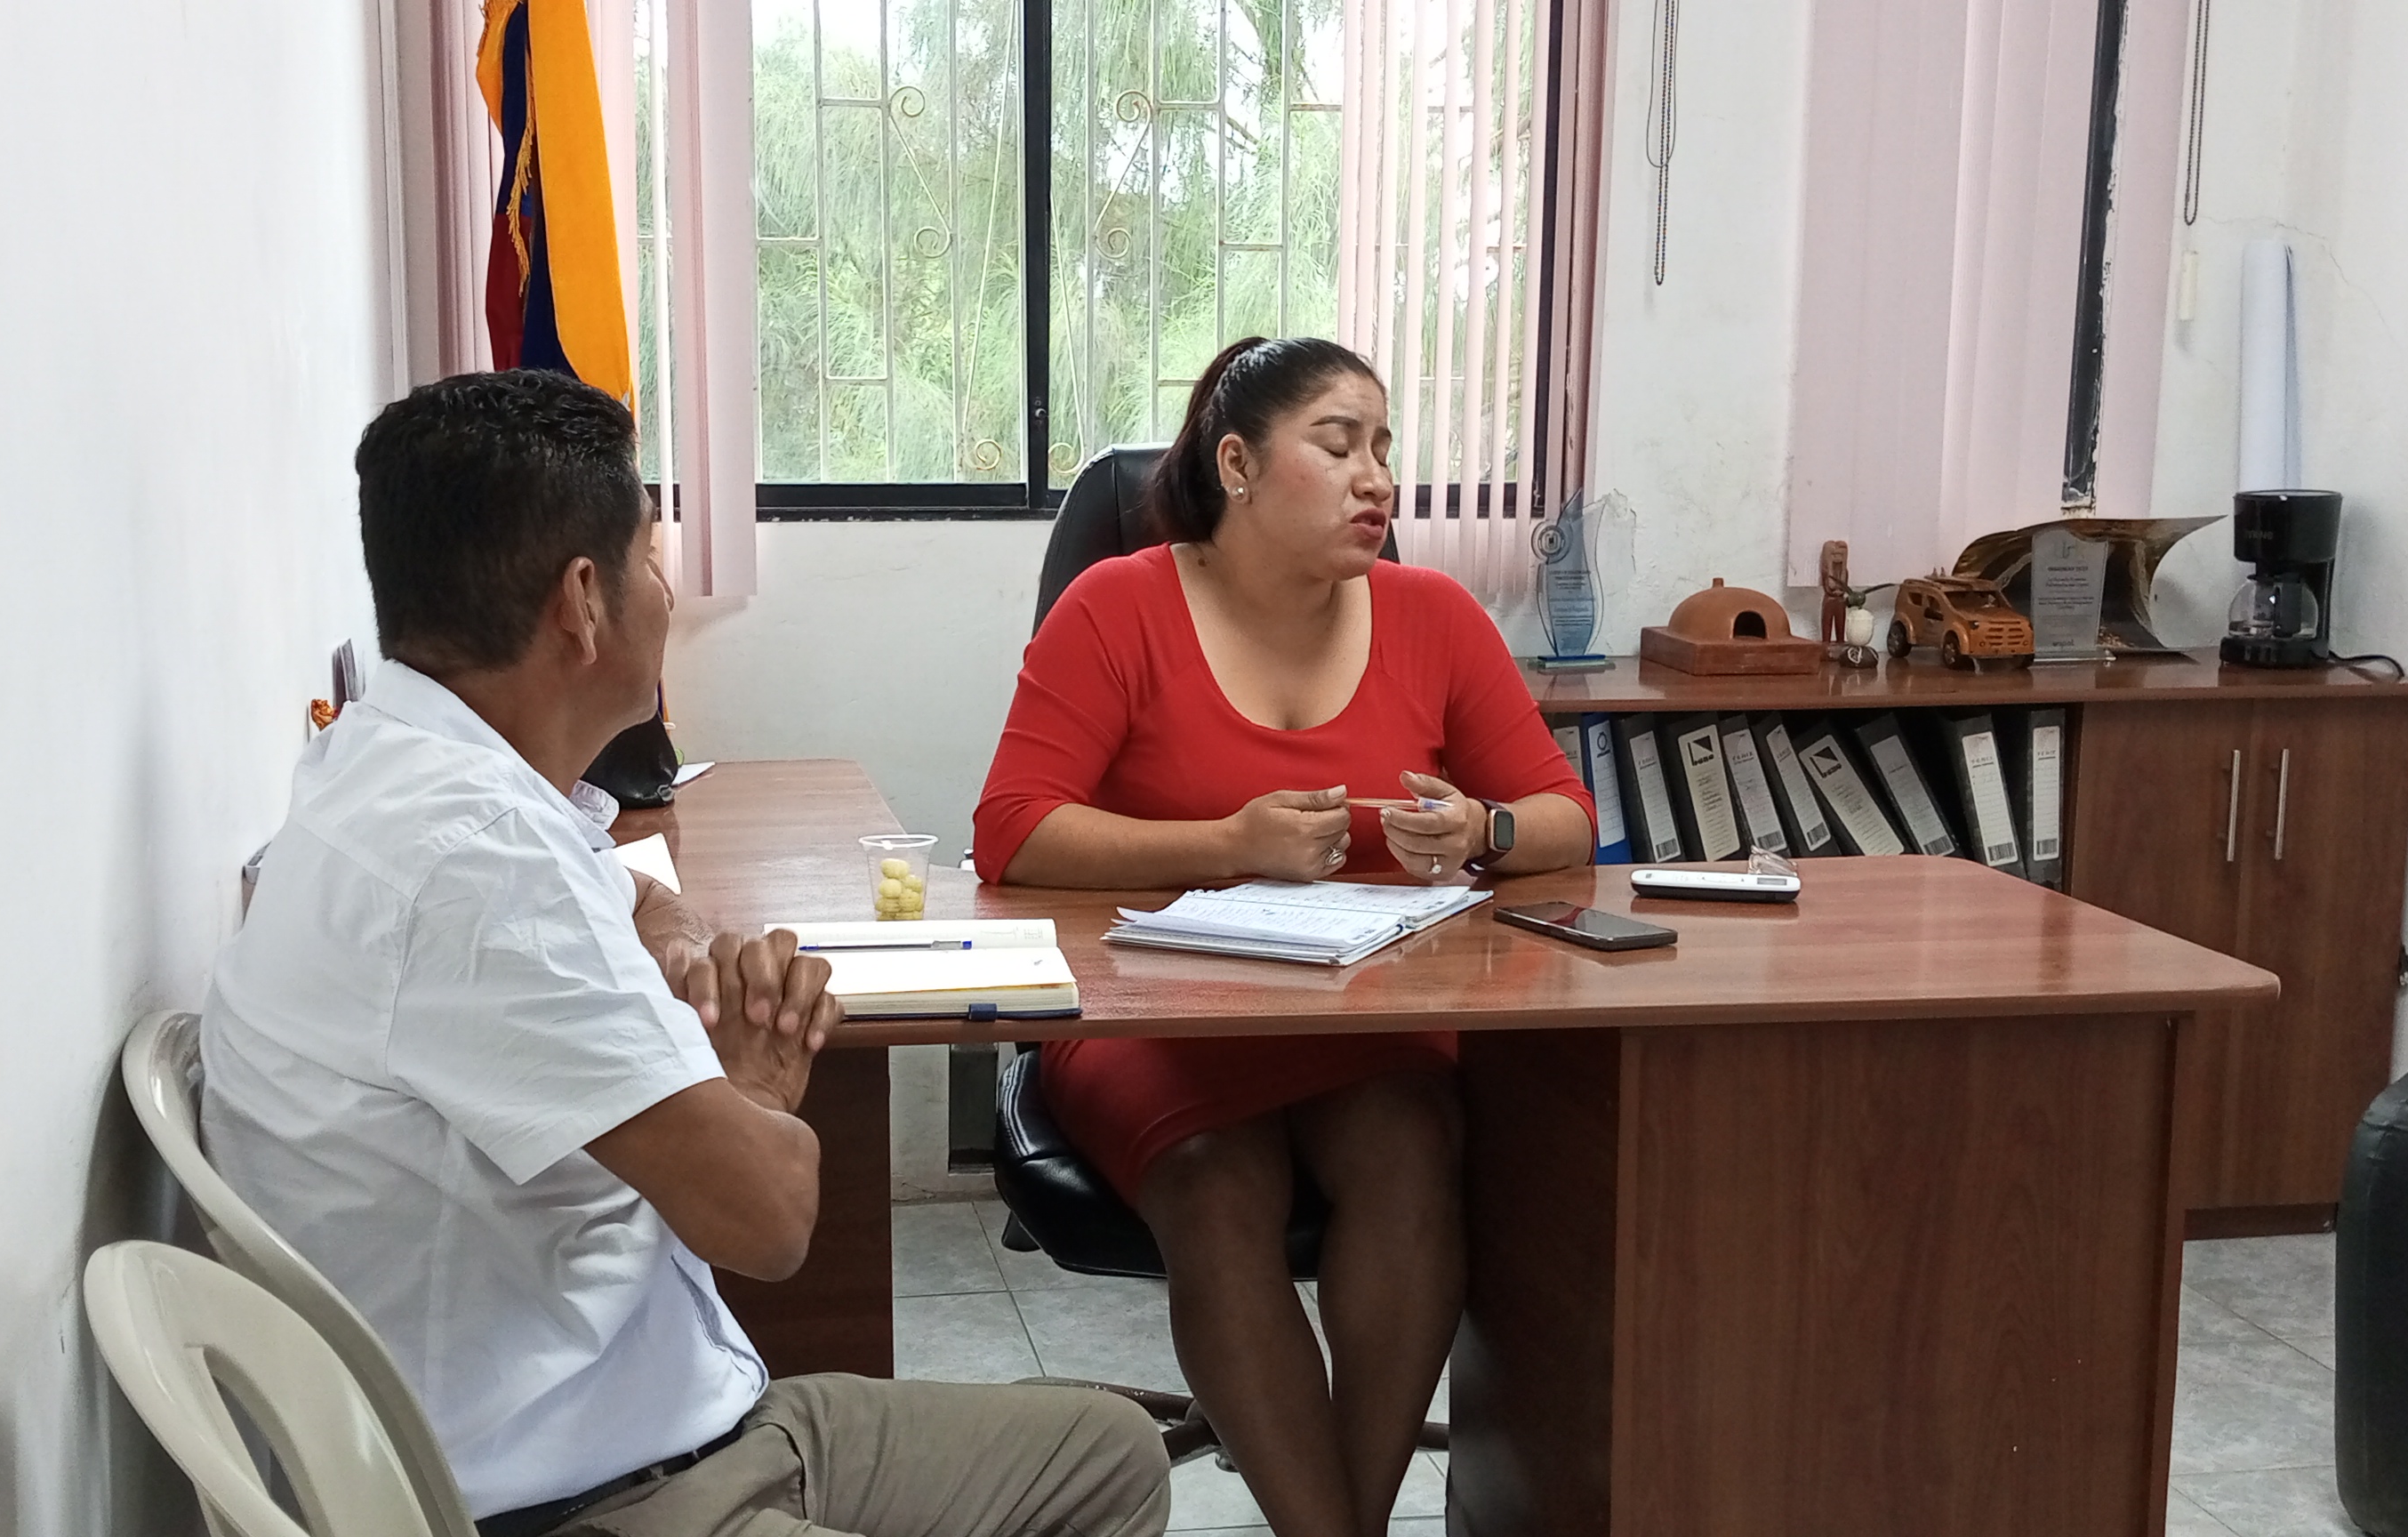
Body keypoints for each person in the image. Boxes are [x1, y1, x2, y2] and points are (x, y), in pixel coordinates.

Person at [201, 369, 1168, 1537]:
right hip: (574, 1501)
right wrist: (750, 1083)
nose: (664, 593)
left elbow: (608, 875)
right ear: (582, 602)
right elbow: (768, 1219)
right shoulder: (475, 864)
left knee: (1111, 1455)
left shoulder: (390, 763)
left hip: (674, 1423)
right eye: (651, 561)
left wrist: (665, 934)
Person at [971, 336, 1594, 1537]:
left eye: (1385, 449)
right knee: (1216, 1182)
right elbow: (1013, 829)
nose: (1378, 479)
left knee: (1413, 1149)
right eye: (1340, 444)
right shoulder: (1120, 606)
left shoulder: (1434, 616)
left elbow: (1566, 816)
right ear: (1239, 465)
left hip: (1367, 1012)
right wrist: (1226, 843)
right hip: (1156, 1012)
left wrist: (1485, 826)